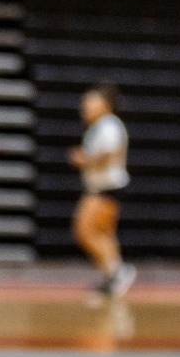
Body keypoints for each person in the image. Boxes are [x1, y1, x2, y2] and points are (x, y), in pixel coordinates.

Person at [70, 83, 134, 297]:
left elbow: (108, 153)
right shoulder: (100, 126)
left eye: (91, 101)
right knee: (104, 234)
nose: (86, 105)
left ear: (105, 104)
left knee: (85, 230)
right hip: (105, 187)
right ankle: (112, 277)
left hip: (106, 187)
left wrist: (84, 159)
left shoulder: (109, 125)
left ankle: (118, 272)